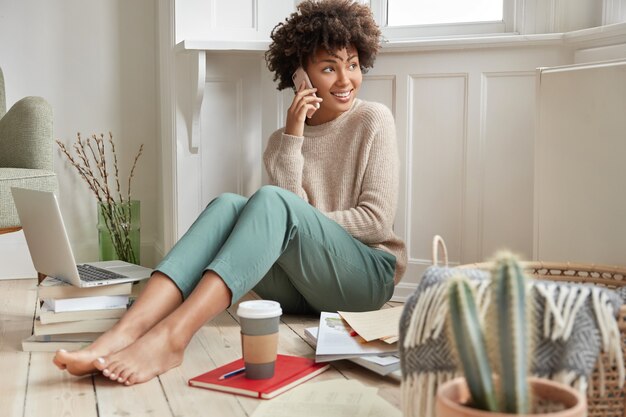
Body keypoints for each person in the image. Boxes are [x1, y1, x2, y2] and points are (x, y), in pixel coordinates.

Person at [53, 0, 406, 386]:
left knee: (269, 202)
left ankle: (173, 337)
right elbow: (291, 218)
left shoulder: (373, 120)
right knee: (227, 205)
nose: (345, 80)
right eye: (328, 68)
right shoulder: (281, 142)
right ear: (300, 76)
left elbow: (373, 223)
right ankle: (122, 333)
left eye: (352, 64)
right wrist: (294, 136)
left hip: (365, 278)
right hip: (302, 289)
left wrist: (298, 221)